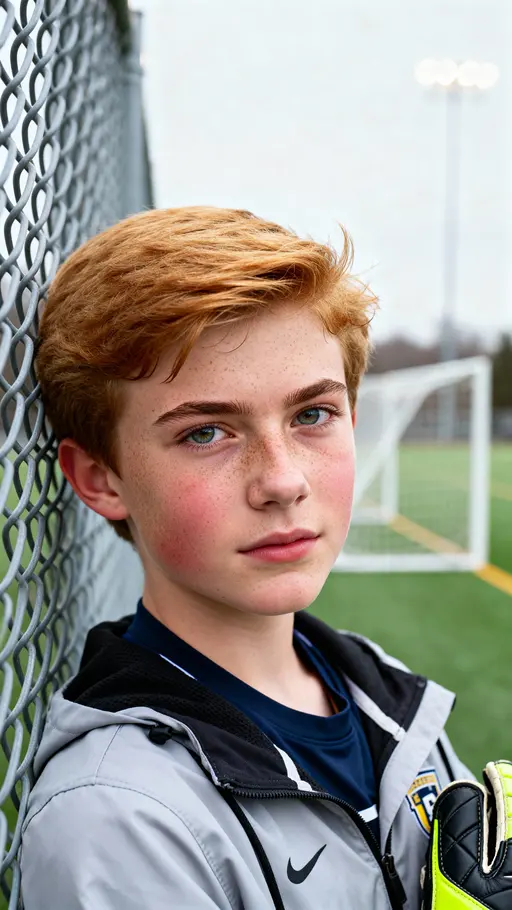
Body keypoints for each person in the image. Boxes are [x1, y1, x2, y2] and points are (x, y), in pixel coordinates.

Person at [20, 207, 472, 910]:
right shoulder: (118, 815)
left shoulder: (379, 690)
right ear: (101, 478)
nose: (283, 481)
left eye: (311, 415)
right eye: (206, 433)